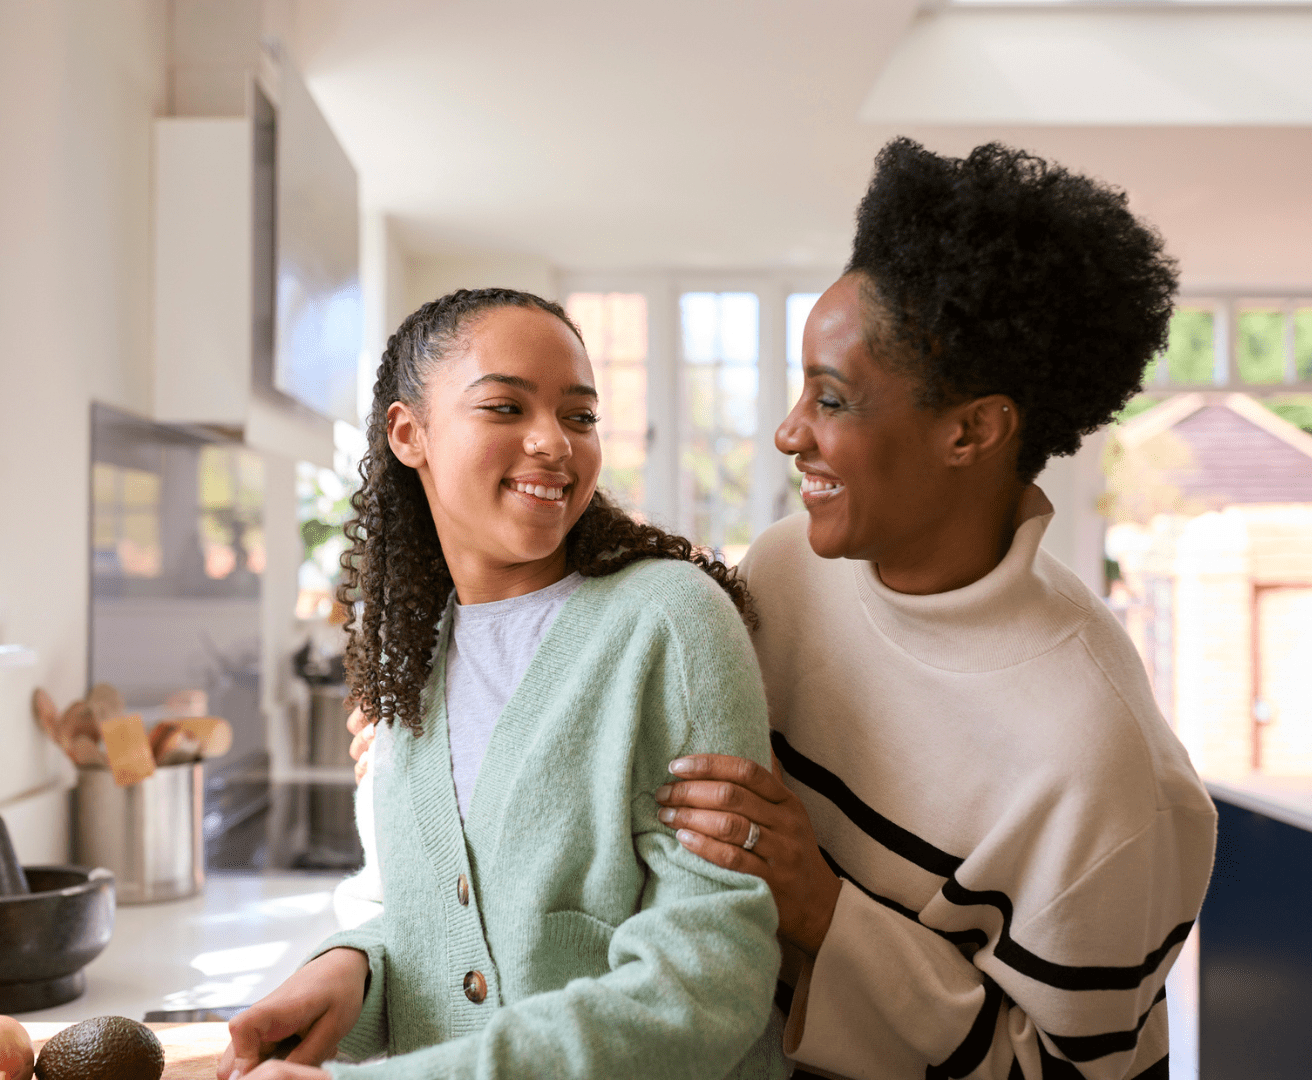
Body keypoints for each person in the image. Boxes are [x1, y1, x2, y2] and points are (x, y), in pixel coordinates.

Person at [653, 140, 1217, 1080]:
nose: (791, 433)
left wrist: (823, 906)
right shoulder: (788, 568)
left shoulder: (1099, 765)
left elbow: (1067, 1070)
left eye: (831, 398)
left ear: (972, 430)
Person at [219, 288, 788, 1080]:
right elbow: (425, 923)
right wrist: (349, 972)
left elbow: (705, 983)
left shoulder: (667, 622)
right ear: (409, 433)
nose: (553, 442)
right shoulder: (408, 664)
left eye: (580, 416)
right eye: (505, 408)